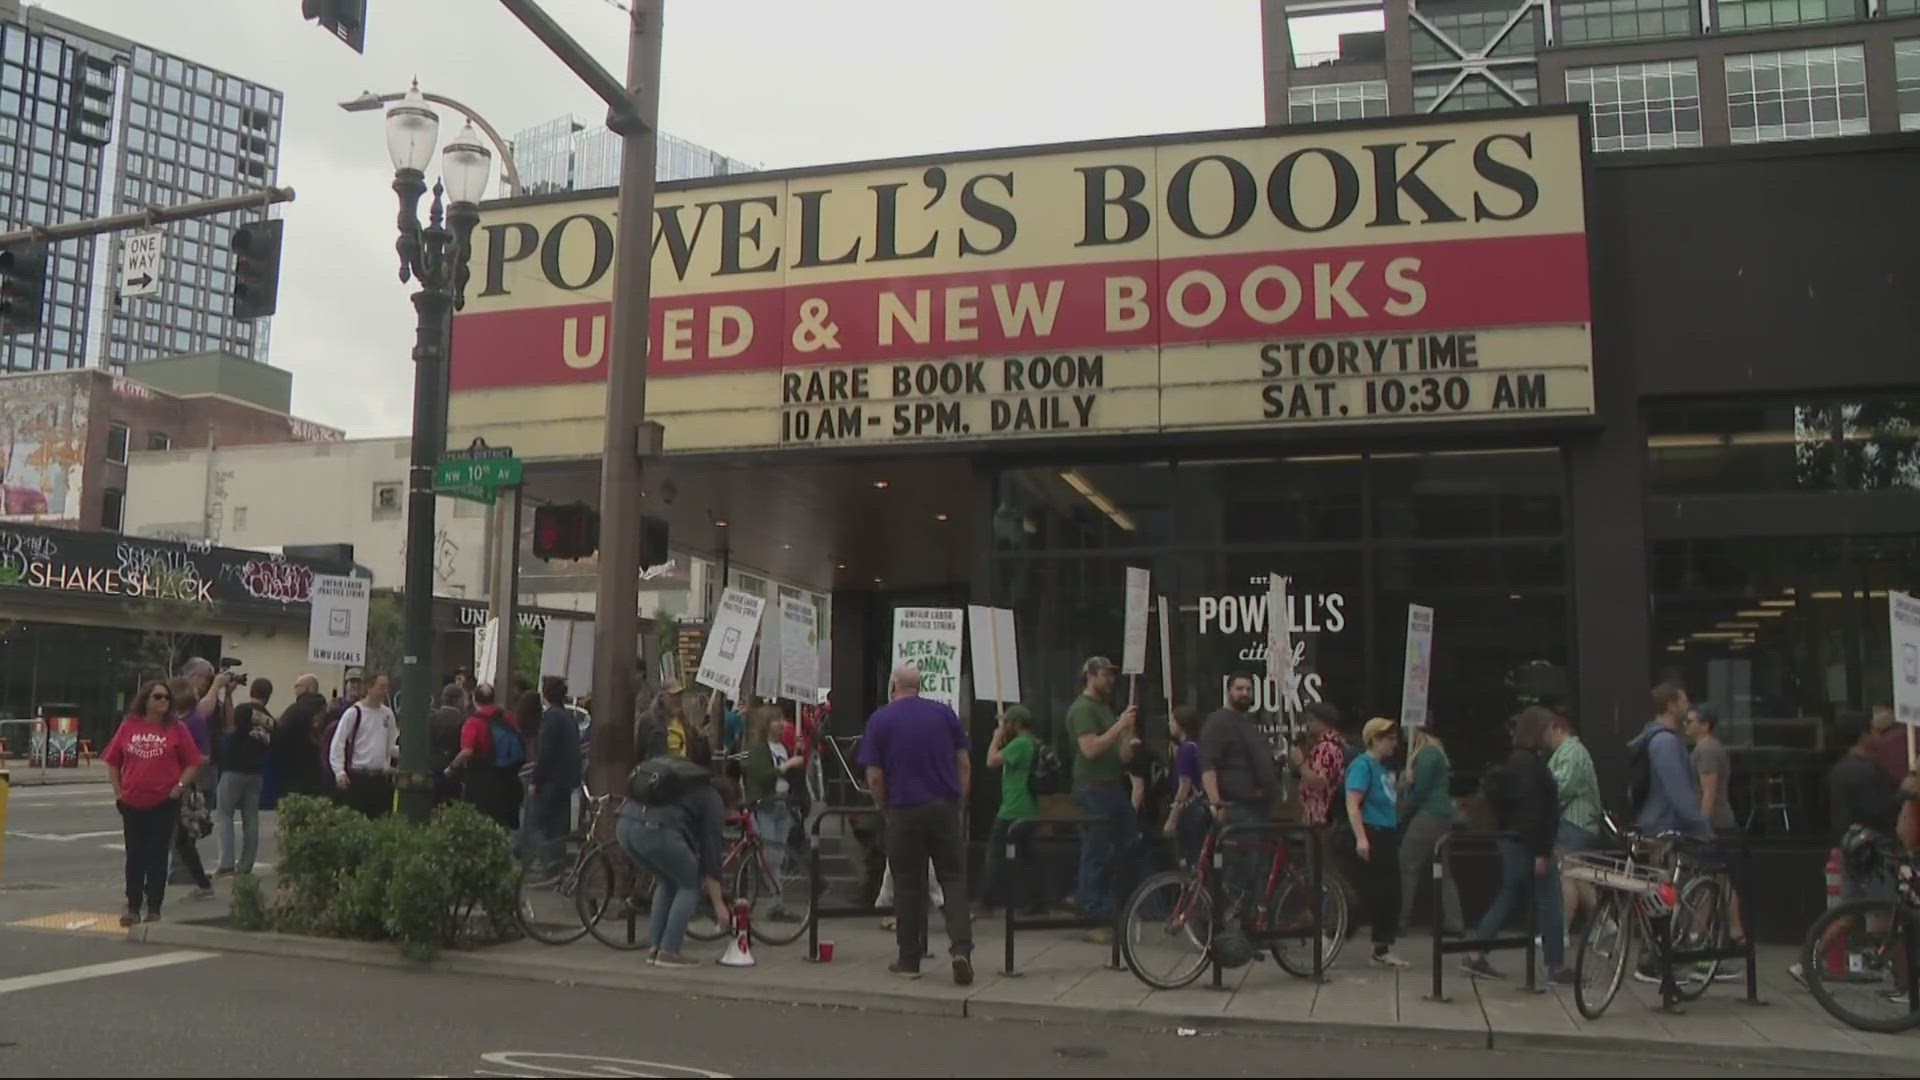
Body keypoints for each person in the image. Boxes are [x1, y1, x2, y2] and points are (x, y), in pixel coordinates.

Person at [858, 664, 974, 985]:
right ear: (919, 686)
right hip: (944, 808)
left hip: (904, 810)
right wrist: (959, 803)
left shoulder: (880, 720)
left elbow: (875, 775)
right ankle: (961, 948)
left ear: (894, 685)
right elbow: (963, 764)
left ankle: (909, 959)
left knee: (908, 884)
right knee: (953, 879)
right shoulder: (944, 715)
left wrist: (883, 807)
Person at [1789, 710, 1920, 988]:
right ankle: (1906, 984)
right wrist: (1905, 793)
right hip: (1872, 851)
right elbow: (1877, 812)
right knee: (1889, 917)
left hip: (1855, 848)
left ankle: (1806, 963)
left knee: (1850, 913)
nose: (1879, 736)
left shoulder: (1851, 768)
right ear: (1863, 735)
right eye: (1874, 731)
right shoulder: (1858, 772)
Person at [1462, 707, 1571, 983]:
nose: (1551, 734)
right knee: (1550, 902)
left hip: (1513, 841)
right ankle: (1555, 965)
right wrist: (1540, 851)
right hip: (1528, 844)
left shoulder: (1517, 762)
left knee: (1511, 895)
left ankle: (1476, 953)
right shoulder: (1532, 766)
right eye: (1547, 729)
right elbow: (1533, 812)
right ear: (1537, 732)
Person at [616, 743, 729, 968]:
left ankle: (655, 948)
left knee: (668, 881)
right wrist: (719, 905)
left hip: (625, 825)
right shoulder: (712, 800)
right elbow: (711, 854)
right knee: (689, 884)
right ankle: (669, 951)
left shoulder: (686, 785)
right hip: (655, 830)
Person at [106, 680, 204, 926]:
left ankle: (154, 907)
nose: (163, 702)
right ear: (146, 699)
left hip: (163, 801)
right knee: (135, 855)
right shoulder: (129, 725)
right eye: (157, 697)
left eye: (166, 698)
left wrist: (179, 787)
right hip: (132, 801)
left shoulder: (176, 728)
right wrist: (118, 792)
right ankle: (132, 906)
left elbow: (193, 761)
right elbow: (112, 760)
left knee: (158, 855)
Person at [1066, 656, 1137, 943]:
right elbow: (1090, 750)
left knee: (1126, 843)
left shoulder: (1103, 708)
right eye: (1105, 675)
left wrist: (1127, 738)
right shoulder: (1082, 709)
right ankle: (1092, 913)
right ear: (1090, 676)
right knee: (1095, 850)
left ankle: (1104, 903)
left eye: (1111, 675)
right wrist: (1119, 727)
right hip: (1093, 788)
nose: (1110, 680)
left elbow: (1121, 756)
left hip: (1112, 785)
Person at [1201, 674, 1279, 901]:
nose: (1244, 693)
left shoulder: (1247, 722)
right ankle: (1233, 928)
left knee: (1258, 869)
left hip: (1258, 808)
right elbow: (1208, 765)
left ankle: (1254, 924)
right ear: (1228, 690)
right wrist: (1216, 802)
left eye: (1248, 689)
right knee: (1239, 870)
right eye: (1239, 688)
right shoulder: (1218, 722)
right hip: (1236, 808)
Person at [1685, 705, 1748, 967]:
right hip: (1719, 823)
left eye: (1691, 721)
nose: (1686, 725)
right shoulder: (1707, 749)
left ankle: (1698, 936)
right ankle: (1735, 933)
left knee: (1707, 880)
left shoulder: (1707, 750)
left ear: (1705, 725)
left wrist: (1702, 826)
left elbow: (1708, 792)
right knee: (1720, 880)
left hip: (1715, 826)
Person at [1346, 716, 1409, 968]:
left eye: (1394, 738)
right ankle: (1333, 931)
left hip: (1388, 832)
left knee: (1389, 893)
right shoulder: (1363, 766)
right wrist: (1361, 837)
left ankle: (1381, 947)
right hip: (1373, 832)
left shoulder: (1385, 769)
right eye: (1388, 739)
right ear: (1374, 740)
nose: (1393, 744)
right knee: (1372, 892)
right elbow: (1352, 803)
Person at [1397, 721, 1464, 938]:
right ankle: (1454, 921)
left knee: (1407, 863)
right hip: (1444, 817)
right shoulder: (1438, 752)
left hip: (1429, 815)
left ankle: (1400, 919)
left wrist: (1401, 809)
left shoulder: (1425, 754)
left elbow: (1420, 791)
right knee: (1444, 870)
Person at [742, 703, 807, 920]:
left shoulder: (783, 747)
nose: (781, 724)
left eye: (782, 720)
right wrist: (787, 765)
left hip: (782, 805)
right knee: (769, 855)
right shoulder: (757, 749)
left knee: (778, 855)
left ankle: (776, 902)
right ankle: (774, 901)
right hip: (765, 805)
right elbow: (763, 776)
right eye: (775, 720)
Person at [1547, 712, 1604, 940]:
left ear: (1557, 727)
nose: (1546, 739)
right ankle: (1604, 925)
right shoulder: (1573, 751)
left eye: (1548, 732)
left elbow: (1562, 787)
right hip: (1581, 822)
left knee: (1566, 876)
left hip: (1573, 821)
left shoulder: (1571, 752)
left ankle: (1561, 932)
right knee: (1579, 876)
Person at [980, 704, 1041, 917]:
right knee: (1026, 858)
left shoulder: (1021, 743)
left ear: (1016, 724)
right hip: (1029, 809)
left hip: (1013, 809)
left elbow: (991, 761)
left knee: (995, 855)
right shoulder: (1031, 743)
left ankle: (988, 902)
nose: (1003, 725)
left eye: (1006, 722)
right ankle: (1034, 902)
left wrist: (996, 739)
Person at [1632, 682, 1711, 841]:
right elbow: (1679, 790)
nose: (1688, 706)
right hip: (1665, 829)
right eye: (1684, 701)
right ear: (1671, 706)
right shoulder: (1666, 742)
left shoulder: (1659, 739)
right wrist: (1702, 827)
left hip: (1658, 824)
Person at [525, 676, 584, 872]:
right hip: (566, 781)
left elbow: (546, 754)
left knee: (536, 823)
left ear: (545, 694)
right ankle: (557, 863)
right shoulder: (568, 717)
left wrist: (536, 781)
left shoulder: (551, 719)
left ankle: (548, 862)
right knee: (558, 826)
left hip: (550, 781)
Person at [216, 677, 273, 878]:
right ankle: (246, 865)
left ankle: (226, 863)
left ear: (252, 691)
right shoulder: (272, 721)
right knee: (251, 819)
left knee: (224, 815)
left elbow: (230, 727)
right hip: (256, 773)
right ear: (268, 695)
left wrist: (228, 695)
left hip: (234, 769)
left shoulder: (244, 710)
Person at [449, 683, 525, 834]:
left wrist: (452, 767)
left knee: (481, 819)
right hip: (508, 776)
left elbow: (467, 751)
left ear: (474, 699)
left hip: (481, 777)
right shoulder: (507, 716)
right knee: (502, 820)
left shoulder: (473, 722)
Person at [165, 675, 214, 898]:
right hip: (171, 781)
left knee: (177, 836)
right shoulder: (176, 720)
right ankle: (202, 883)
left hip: (183, 785)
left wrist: (183, 761)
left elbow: (204, 755)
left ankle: (201, 884)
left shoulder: (192, 721)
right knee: (180, 839)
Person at [329, 673, 399, 818]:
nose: (385, 691)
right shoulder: (353, 713)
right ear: (368, 688)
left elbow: (391, 746)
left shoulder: (388, 714)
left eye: (387, 687)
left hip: (381, 779)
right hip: (359, 777)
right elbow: (338, 743)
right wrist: (339, 772)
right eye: (381, 687)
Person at [1162, 706, 1209, 869]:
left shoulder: (1186, 749)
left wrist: (1172, 818)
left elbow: (1184, 786)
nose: (1170, 724)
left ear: (1182, 724)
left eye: (1173, 721)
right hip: (1199, 808)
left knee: (1190, 858)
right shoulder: (1197, 746)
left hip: (1190, 811)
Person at [271, 675, 330, 799]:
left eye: (297, 686)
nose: (295, 690)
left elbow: (280, 736)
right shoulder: (327, 711)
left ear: (306, 688)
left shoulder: (295, 710)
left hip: (295, 772)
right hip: (319, 771)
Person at [428, 683, 469, 806]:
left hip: (431, 770)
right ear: (459, 700)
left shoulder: (430, 718)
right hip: (454, 771)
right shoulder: (464, 720)